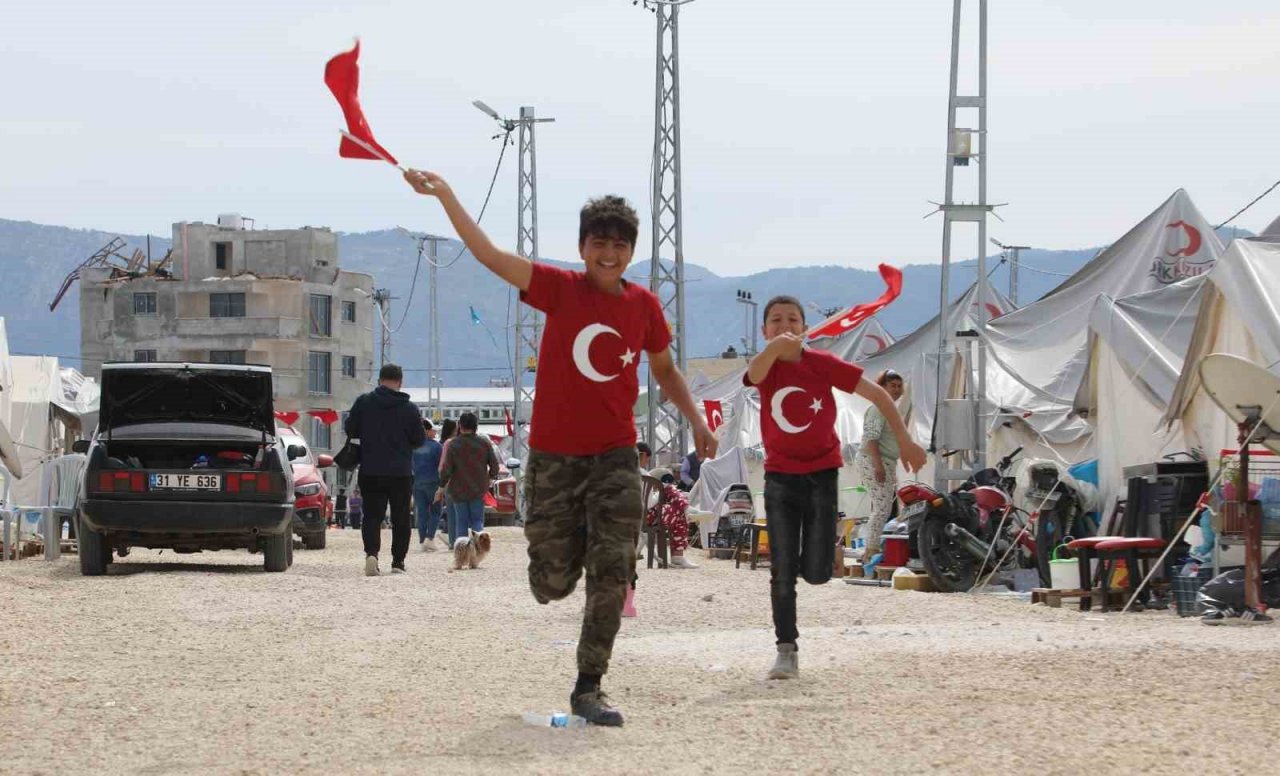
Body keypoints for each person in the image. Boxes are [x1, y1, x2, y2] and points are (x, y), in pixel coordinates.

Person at [406, 170, 716, 727]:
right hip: (553, 458)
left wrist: (695, 420)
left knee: (614, 566)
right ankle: (556, 561)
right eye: (599, 242)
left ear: (631, 253)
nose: (609, 252)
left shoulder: (643, 307)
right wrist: (449, 194)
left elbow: (665, 370)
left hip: (617, 455)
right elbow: (489, 255)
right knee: (552, 584)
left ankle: (589, 685)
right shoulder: (559, 288)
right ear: (582, 248)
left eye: (620, 244)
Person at [744, 296, 925, 680]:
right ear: (764, 331)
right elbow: (756, 373)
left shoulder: (821, 364)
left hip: (822, 476)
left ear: (805, 327)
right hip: (779, 478)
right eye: (775, 321)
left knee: (817, 572)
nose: (783, 325)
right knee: (781, 570)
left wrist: (906, 440)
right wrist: (776, 348)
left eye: (792, 319)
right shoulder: (765, 368)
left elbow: (877, 395)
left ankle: (816, 564)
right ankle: (786, 649)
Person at [343, 364, 426, 576]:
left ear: (379, 380)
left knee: (371, 515)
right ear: (400, 381)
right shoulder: (409, 409)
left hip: (371, 469)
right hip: (401, 472)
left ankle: (372, 554)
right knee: (400, 518)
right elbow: (418, 440)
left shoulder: (364, 402)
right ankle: (398, 562)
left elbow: (350, 428)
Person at [855, 370, 908, 570]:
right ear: (882, 387)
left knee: (884, 507)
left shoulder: (890, 409)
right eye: (892, 385)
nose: (896, 389)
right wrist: (878, 465)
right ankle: (871, 551)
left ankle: (874, 548)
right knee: (881, 509)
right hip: (874, 460)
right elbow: (871, 439)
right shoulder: (878, 409)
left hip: (885, 461)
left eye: (898, 386)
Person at [437, 411, 500, 538]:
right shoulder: (484, 443)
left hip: (458, 490)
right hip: (478, 488)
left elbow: (447, 469)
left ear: (460, 426)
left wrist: (441, 486)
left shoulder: (453, 444)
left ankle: (462, 553)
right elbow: (495, 466)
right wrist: (490, 478)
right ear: (476, 426)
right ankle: (478, 549)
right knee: (477, 521)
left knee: (461, 522)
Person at [413, 419, 447, 552]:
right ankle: (429, 538)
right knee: (435, 511)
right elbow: (441, 467)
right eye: (432, 429)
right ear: (427, 430)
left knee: (421, 512)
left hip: (418, 483)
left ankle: (422, 540)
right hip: (433, 483)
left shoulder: (414, 447)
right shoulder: (437, 447)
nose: (434, 432)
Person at [438, 418, 459, 547]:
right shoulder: (470, 442)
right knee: (462, 514)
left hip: (450, 482)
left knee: (451, 513)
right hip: (466, 482)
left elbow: (442, 467)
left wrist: (442, 484)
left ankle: (453, 541)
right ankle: (462, 541)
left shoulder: (447, 443)